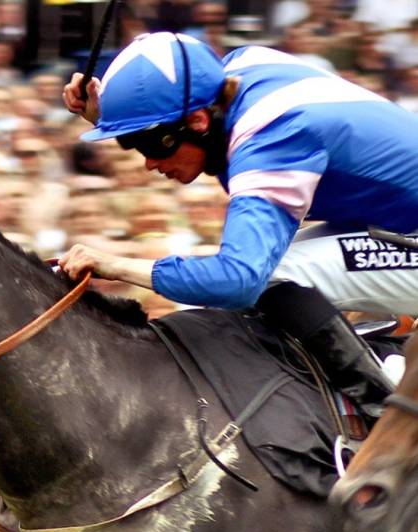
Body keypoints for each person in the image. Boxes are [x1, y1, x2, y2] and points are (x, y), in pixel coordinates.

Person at [57, 32, 418, 415]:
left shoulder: (274, 139)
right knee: (268, 269)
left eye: (148, 144)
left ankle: (388, 413)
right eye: (131, 144)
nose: (148, 163)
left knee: (272, 275)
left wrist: (117, 266)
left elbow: (238, 280)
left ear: (198, 121)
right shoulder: (237, 70)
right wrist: (112, 112)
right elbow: (171, 74)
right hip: (400, 223)